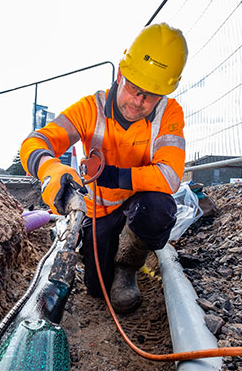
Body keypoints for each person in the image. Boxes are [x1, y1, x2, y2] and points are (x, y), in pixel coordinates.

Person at [20, 23, 188, 313]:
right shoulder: (90, 109)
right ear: (121, 74)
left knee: (158, 209)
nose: (140, 101)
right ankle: (106, 258)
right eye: (135, 89)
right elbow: (36, 141)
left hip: (139, 202)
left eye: (151, 95)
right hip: (101, 210)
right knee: (98, 290)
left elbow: (170, 177)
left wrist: (108, 173)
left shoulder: (168, 113)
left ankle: (128, 264)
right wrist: (52, 170)